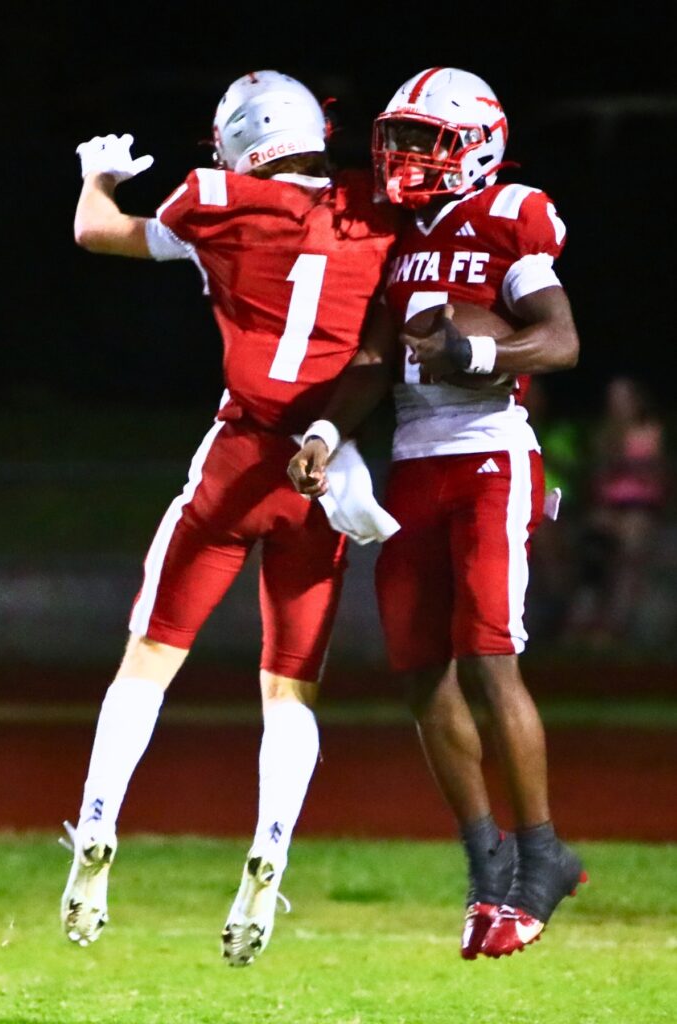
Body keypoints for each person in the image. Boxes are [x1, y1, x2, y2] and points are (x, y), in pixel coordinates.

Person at [61, 69, 399, 966]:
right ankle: (272, 845)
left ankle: (97, 827)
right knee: (288, 686)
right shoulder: (372, 213)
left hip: (240, 456)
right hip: (322, 469)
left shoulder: (218, 201)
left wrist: (98, 177)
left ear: (241, 141)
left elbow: (95, 232)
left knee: (149, 660)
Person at [288, 66, 586, 960]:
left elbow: (559, 339)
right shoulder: (400, 237)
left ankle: (540, 857)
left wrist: (469, 349)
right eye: (399, 139)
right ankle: (485, 864)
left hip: (491, 451)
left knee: (487, 657)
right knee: (420, 670)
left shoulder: (511, 213)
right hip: (414, 461)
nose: (405, 157)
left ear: (475, 142)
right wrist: (320, 433)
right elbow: (378, 361)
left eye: (422, 140)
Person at [564, 375, 669, 647]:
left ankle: (614, 625)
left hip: (640, 505)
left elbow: (653, 473)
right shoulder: (603, 432)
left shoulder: (650, 430)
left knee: (628, 556)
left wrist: (627, 463)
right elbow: (597, 472)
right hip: (608, 505)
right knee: (594, 553)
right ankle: (582, 621)